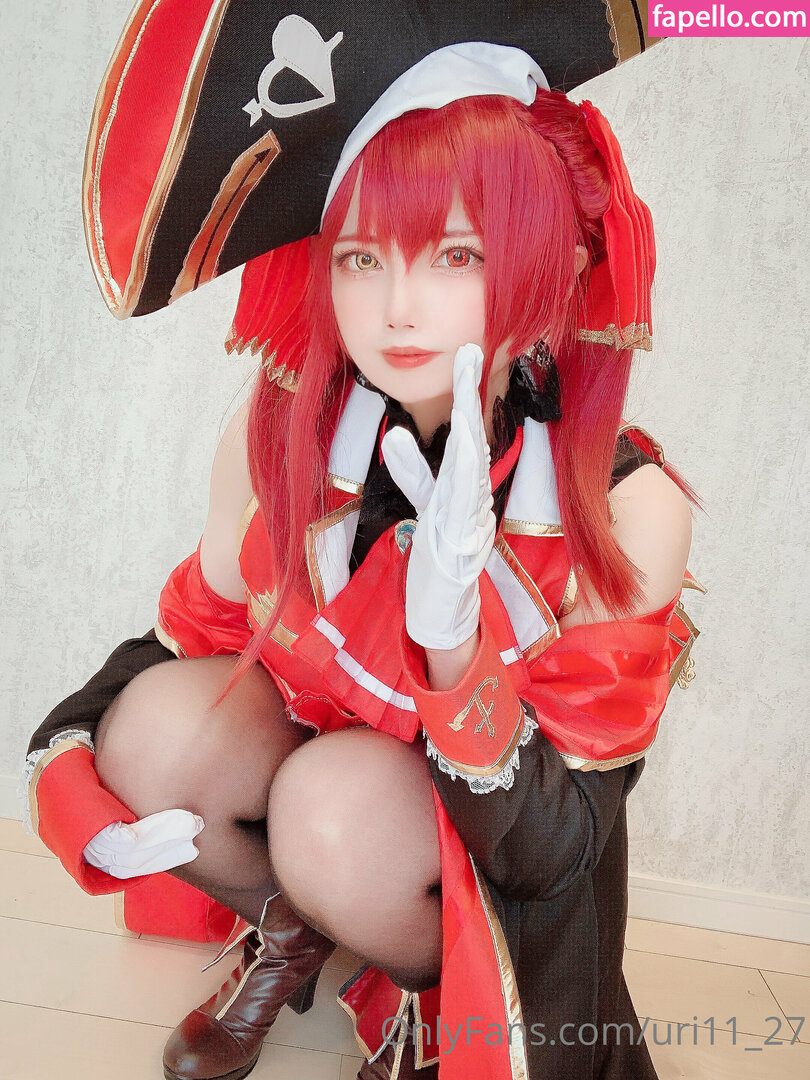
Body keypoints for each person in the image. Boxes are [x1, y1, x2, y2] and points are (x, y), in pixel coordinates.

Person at [22, 10, 704, 1080]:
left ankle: (432, 1005)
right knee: (157, 732)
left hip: (468, 865)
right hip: (330, 810)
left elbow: (557, 853)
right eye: (361, 256)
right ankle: (295, 932)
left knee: (328, 802)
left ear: (557, 259)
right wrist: (79, 771)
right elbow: (189, 638)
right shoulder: (285, 433)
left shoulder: (627, 509)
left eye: (457, 254)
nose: (397, 307)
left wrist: (452, 650)